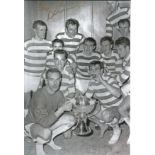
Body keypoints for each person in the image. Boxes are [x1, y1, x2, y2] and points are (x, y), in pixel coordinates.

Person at [25, 68, 76, 155]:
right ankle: (39, 143)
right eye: (51, 79)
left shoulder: (59, 93)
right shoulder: (40, 96)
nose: (55, 83)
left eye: (57, 80)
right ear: (46, 80)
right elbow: (44, 123)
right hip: (32, 124)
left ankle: (49, 139)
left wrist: (75, 112)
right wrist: (61, 109)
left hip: (47, 120)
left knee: (72, 120)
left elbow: (64, 111)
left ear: (60, 80)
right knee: (46, 133)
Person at [85, 61, 123, 144]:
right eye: (91, 69)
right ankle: (103, 125)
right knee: (85, 111)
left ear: (102, 71)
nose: (94, 72)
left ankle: (116, 130)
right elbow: (86, 98)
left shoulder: (109, 79)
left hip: (119, 107)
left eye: (96, 69)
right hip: (105, 107)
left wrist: (102, 81)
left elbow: (118, 94)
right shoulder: (92, 82)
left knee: (106, 115)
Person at [24, 20, 52, 111]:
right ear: (34, 30)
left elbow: (51, 59)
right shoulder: (27, 44)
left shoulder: (49, 44)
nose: (44, 32)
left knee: (37, 101)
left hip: (40, 77)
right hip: (27, 76)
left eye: (45, 30)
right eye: (41, 30)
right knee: (25, 101)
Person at [115, 37, 130, 144]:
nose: (118, 52)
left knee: (121, 108)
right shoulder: (126, 59)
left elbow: (122, 78)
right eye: (117, 49)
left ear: (127, 48)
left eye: (120, 49)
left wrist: (111, 82)